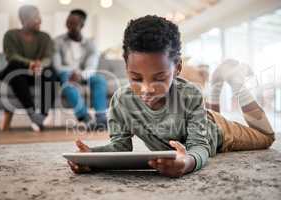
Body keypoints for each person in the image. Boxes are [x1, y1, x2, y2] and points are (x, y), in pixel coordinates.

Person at [67, 15, 275, 177]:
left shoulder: (190, 94)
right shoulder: (121, 101)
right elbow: (120, 146)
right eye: (136, 78)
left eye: (159, 78)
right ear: (126, 67)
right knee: (202, 112)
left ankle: (235, 81)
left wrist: (188, 163)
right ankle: (215, 88)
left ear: (177, 68)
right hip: (197, 115)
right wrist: (93, 157)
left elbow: (199, 146)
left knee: (266, 138)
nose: (146, 89)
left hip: (217, 131)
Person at [0, 5, 57, 132]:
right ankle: (32, 113)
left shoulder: (45, 37)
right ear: (23, 19)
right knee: (14, 67)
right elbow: (11, 55)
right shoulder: (10, 35)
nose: (40, 20)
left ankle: (41, 116)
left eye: (39, 16)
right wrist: (30, 63)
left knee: (51, 72)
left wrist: (39, 65)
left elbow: (48, 57)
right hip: (17, 73)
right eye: (36, 17)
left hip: (38, 72)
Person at [54, 9, 108, 130]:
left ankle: (101, 118)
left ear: (82, 25)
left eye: (73, 23)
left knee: (99, 79)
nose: (69, 26)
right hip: (65, 73)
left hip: (84, 74)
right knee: (67, 80)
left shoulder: (90, 44)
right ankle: (85, 118)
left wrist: (81, 75)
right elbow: (57, 66)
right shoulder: (57, 42)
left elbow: (91, 67)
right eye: (68, 22)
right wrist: (72, 72)